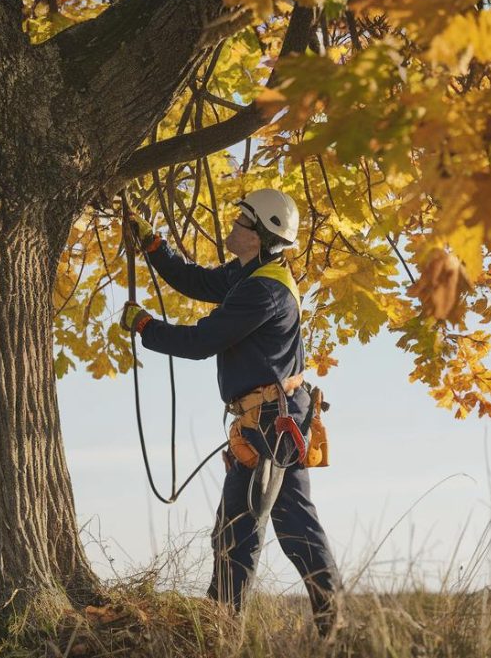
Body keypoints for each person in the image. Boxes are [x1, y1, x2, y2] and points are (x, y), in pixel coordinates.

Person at [120, 189, 343, 638]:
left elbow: (202, 342)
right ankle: (331, 624)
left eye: (242, 223)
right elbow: (198, 283)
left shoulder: (264, 291)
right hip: (274, 418)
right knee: (292, 521)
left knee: (240, 529)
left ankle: (220, 628)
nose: (233, 227)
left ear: (260, 236)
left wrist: (146, 327)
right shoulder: (252, 274)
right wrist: (152, 245)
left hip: (270, 423)